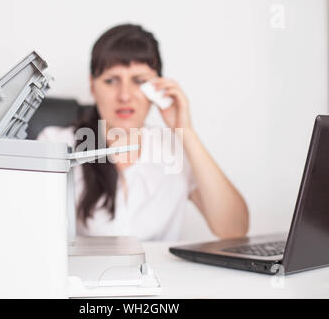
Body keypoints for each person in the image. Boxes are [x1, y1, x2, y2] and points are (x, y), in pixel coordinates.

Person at [38, 24, 249, 241]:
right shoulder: (55, 143)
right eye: (111, 80)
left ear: (159, 87)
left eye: (139, 81)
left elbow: (234, 229)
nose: (125, 95)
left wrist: (185, 131)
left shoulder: (174, 147)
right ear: (93, 86)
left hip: (161, 274)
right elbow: (32, 230)